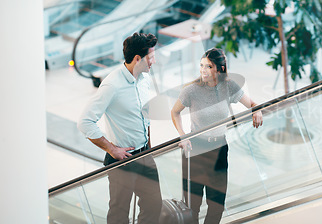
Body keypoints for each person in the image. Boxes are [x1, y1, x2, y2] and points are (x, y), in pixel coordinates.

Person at [170, 48, 263, 224]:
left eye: (208, 66)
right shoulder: (191, 90)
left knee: (217, 204)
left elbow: (251, 103)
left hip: (219, 148)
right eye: (201, 66)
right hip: (195, 149)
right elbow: (174, 113)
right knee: (192, 206)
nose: (203, 70)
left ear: (219, 69)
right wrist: (183, 136)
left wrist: (256, 110)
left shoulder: (229, 86)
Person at [77, 33, 162, 224]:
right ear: (137, 58)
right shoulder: (112, 85)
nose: (154, 61)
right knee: (119, 214)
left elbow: (144, 116)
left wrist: (149, 146)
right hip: (122, 161)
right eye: (151, 57)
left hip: (145, 154)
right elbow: (85, 121)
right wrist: (112, 149)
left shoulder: (144, 79)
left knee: (154, 205)